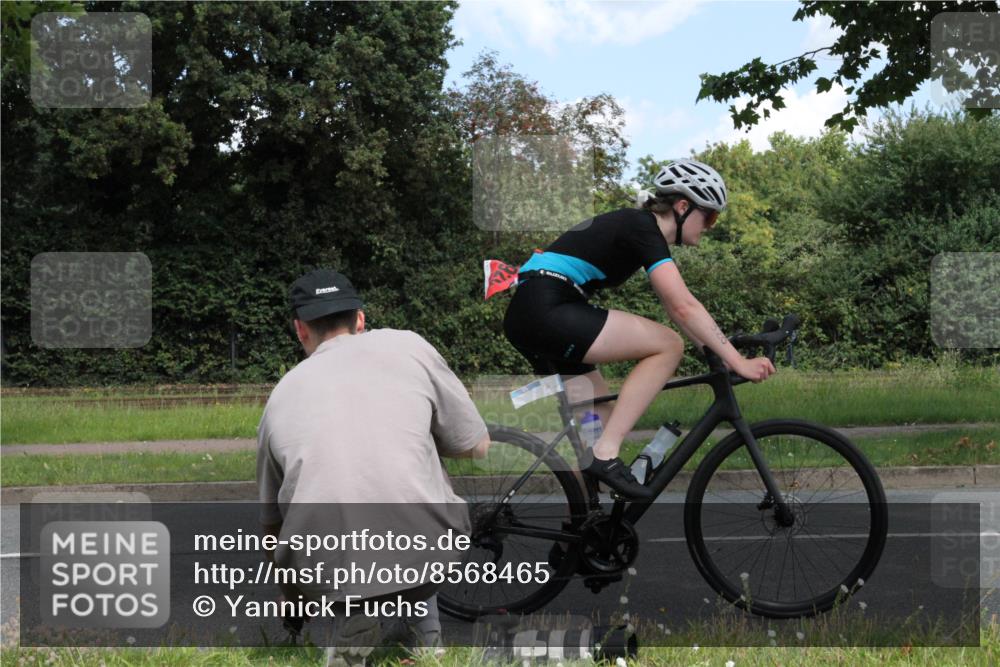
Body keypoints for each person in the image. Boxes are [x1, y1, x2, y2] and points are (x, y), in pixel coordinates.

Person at [256, 268, 490, 665]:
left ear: (300, 330)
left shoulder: (279, 397)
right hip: (427, 552)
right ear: (361, 319)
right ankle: (425, 639)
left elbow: (271, 526)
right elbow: (476, 446)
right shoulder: (408, 346)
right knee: (413, 474)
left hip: (330, 570)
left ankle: (360, 616)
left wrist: (292, 597)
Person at [503, 158, 775, 499]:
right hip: (548, 309)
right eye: (710, 217)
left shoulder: (639, 229)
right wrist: (738, 361)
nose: (710, 226)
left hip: (536, 313)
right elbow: (683, 305)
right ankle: (606, 454)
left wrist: (718, 352)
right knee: (668, 345)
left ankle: (583, 519)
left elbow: (677, 309)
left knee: (596, 425)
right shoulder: (642, 226)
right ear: (683, 207)